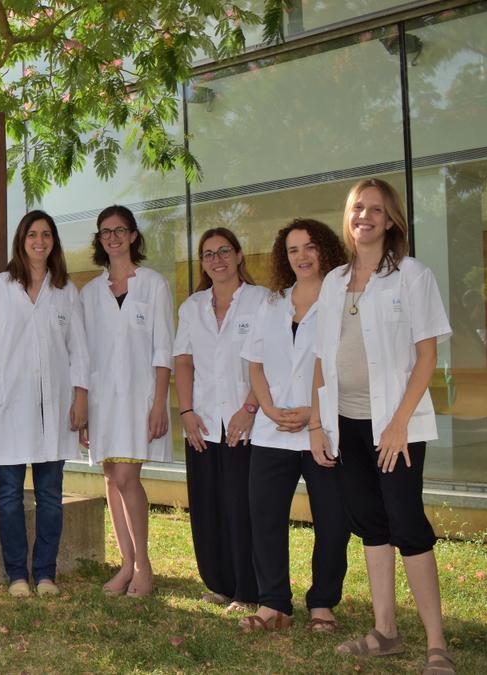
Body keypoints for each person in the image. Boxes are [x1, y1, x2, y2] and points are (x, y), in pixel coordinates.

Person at [309, 179, 454, 674]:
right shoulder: (333, 283)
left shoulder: (412, 276)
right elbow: (319, 360)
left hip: (396, 428)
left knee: (407, 524)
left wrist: (397, 425)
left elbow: (426, 355)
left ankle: (437, 642)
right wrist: (315, 423)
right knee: (369, 524)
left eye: (375, 210)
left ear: (390, 220)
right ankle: (385, 631)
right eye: (356, 209)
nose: (364, 216)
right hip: (345, 423)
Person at [0, 209, 89, 598]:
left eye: (47, 235)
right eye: (32, 234)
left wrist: (81, 398)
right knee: (9, 495)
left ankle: (46, 574)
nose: (40, 241)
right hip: (7, 405)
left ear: (54, 242)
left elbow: (79, 350)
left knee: (52, 495)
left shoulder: (66, 290)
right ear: (21, 241)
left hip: (54, 407)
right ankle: (18, 575)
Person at [239, 219, 351, 632]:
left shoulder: (341, 300)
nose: (301, 256)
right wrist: (267, 409)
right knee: (265, 517)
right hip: (273, 431)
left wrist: (313, 412)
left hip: (323, 429)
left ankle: (322, 603)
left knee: (333, 521)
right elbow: (253, 362)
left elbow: (342, 364)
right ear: (283, 258)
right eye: (292, 250)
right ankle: (274, 604)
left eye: (309, 247)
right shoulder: (271, 302)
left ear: (326, 250)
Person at [78, 205, 174, 597]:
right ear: (99, 240)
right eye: (105, 231)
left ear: (134, 235)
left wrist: (159, 403)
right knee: (111, 479)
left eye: (120, 230)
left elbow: (163, 348)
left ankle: (143, 566)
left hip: (140, 396)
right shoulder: (89, 293)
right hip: (102, 400)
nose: (113, 237)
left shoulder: (153, 285)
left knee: (126, 477)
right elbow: (82, 355)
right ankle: (126, 565)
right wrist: (81, 405)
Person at [172, 227, 268, 612]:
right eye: (209, 254)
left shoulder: (262, 301)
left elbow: (270, 362)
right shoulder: (191, 306)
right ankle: (219, 583)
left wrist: (249, 409)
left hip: (249, 421)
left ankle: (248, 590)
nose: (217, 259)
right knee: (208, 505)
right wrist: (186, 411)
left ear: (240, 255)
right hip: (203, 423)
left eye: (224, 251)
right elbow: (182, 361)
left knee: (244, 507)